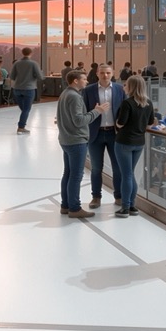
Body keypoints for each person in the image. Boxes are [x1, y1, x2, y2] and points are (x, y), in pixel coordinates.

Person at [56, 70, 103, 219]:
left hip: (66, 139)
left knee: (68, 173)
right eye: (84, 79)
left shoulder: (64, 94)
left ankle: (66, 205)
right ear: (75, 81)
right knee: (76, 175)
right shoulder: (75, 97)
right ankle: (74, 208)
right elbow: (79, 121)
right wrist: (97, 111)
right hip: (76, 141)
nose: (87, 81)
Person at [113, 74, 155, 217]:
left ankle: (125, 207)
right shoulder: (148, 102)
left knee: (126, 175)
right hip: (139, 142)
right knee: (130, 174)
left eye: (126, 85)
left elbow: (121, 122)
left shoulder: (127, 103)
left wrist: (117, 124)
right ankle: (132, 206)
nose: (124, 87)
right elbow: (150, 123)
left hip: (124, 141)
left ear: (131, 87)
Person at [83, 65, 124, 210]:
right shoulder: (89, 90)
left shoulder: (120, 89)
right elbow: (85, 111)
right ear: (97, 74)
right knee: (96, 168)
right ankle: (96, 197)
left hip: (114, 133)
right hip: (96, 134)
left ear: (113, 74)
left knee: (117, 168)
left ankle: (119, 196)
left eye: (108, 73)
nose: (105, 75)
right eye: (102, 73)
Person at [10, 47, 44, 134]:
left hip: (17, 89)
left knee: (24, 110)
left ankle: (22, 124)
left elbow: (12, 77)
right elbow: (40, 77)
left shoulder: (16, 63)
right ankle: (21, 127)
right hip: (29, 89)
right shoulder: (33, 63)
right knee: (26, 109)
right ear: (31, 53)